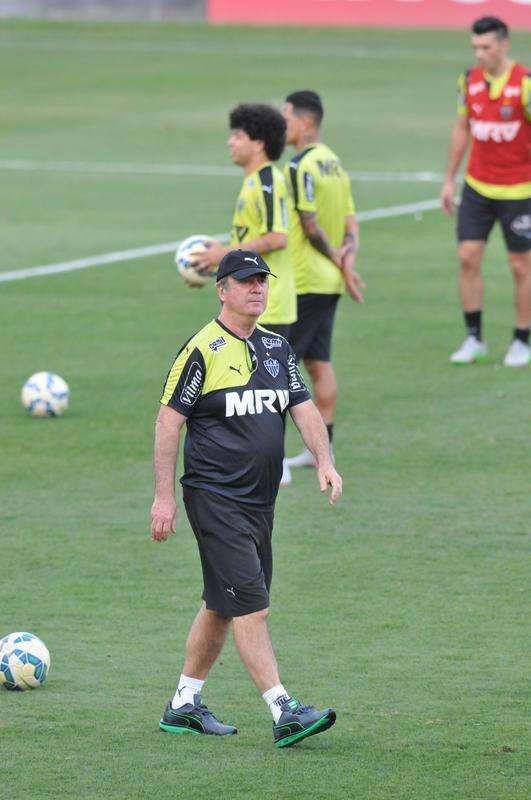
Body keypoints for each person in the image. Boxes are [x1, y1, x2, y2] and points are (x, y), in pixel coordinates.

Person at [150, 249, 342, 748]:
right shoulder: (201, 350)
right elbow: (169, 422)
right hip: (215, 498)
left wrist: (323, 460)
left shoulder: (278, 348)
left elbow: (303, 408)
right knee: (252, 606)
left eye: (261, 280)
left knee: (222, 604)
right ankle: (284, 710)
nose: (257, 288)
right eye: (245, 281)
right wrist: (163, 499)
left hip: (259, 503)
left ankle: (184, 704)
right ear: (222, 289)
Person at [194, 102, 296, 485]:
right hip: (249, 301)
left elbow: (277, 237)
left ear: (258, 142)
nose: (230, 142)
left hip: (270, 302)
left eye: (237, 135)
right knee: (249, 382)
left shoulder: (269, 180)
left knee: (270, 385)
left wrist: (226, 254)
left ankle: (276, 461)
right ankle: (262, 456)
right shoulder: (252, 181)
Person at [440, 16, 531, 367]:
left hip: (519, 190)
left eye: (486, 47)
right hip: (478, 186)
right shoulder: (469, 81)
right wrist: (450, 178)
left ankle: (522, 340)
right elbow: (462, 128)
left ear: (504, 45)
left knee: (520, 267)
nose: (480, 54)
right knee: (467, 258)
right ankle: (474, 337)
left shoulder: (523, 84)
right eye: (475, 47)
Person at [281, 90, 364, 471]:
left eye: (287, 118)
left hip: (304, 280)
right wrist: (346, 262)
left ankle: (272, 457)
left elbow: (309, 226)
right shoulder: (335, 162)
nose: (283, 126)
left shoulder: (300, 167)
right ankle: (322, 452)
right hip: (329, 281)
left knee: (278, 365)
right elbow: (351, 222)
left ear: (306, 122)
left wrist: (334, 257)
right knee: (318, 362)